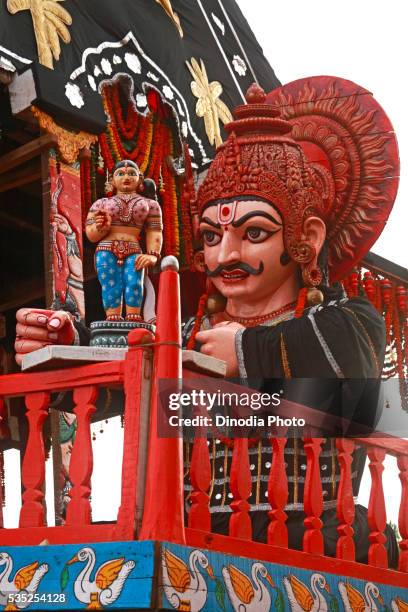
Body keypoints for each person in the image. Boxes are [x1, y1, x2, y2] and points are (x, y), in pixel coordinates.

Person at [14, 82, 399, 565]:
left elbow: (360, 399)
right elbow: (137, 378)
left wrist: (246, 352)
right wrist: (70, 346)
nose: (226, 255)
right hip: (195, 530)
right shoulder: (189, 329)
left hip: (311, 533)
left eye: (253, 233)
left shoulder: (344, 321)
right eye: (212, 236)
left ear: (309, 237)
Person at [85, 159, 163, 322]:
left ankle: (133, 317)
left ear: (140, 179)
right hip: (106, 249)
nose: (126, 177)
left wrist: (153, 254)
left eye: (131, 173)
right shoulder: (101, 204)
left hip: (134, 250)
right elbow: (91, 235)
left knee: (134, 283)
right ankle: (113, 318)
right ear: (112, 180)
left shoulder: (150, 205)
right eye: (120, 174)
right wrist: (101, 228)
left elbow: (154, 231)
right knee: (111, 285)